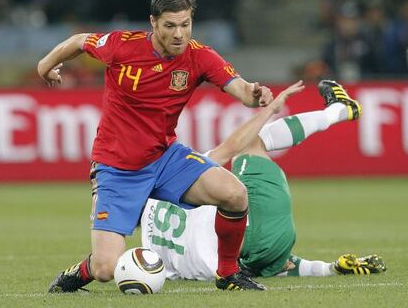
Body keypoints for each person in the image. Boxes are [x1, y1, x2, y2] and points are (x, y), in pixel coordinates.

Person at [38, 0, 275, 293]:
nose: (179, 33)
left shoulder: (200, 56)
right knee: (106, 268)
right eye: (170, 25)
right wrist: (46, 66)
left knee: (235, 194)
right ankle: (79, 272)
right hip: (117, 168)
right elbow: (80, 41)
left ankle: (229, 274)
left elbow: (241, 89)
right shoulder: (122, 46)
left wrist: (254, 94)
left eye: (185, 24)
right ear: (153, 23)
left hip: (165, 158)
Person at [141, 80, 386, 282]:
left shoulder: (152, 252)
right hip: (250, 232)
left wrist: (328, 269)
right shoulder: (170, 174)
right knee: (250, 144)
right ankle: (340, 110)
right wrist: (269, 110)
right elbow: (229, 147)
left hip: (242, 255)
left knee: (260, 251)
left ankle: (330, 269)